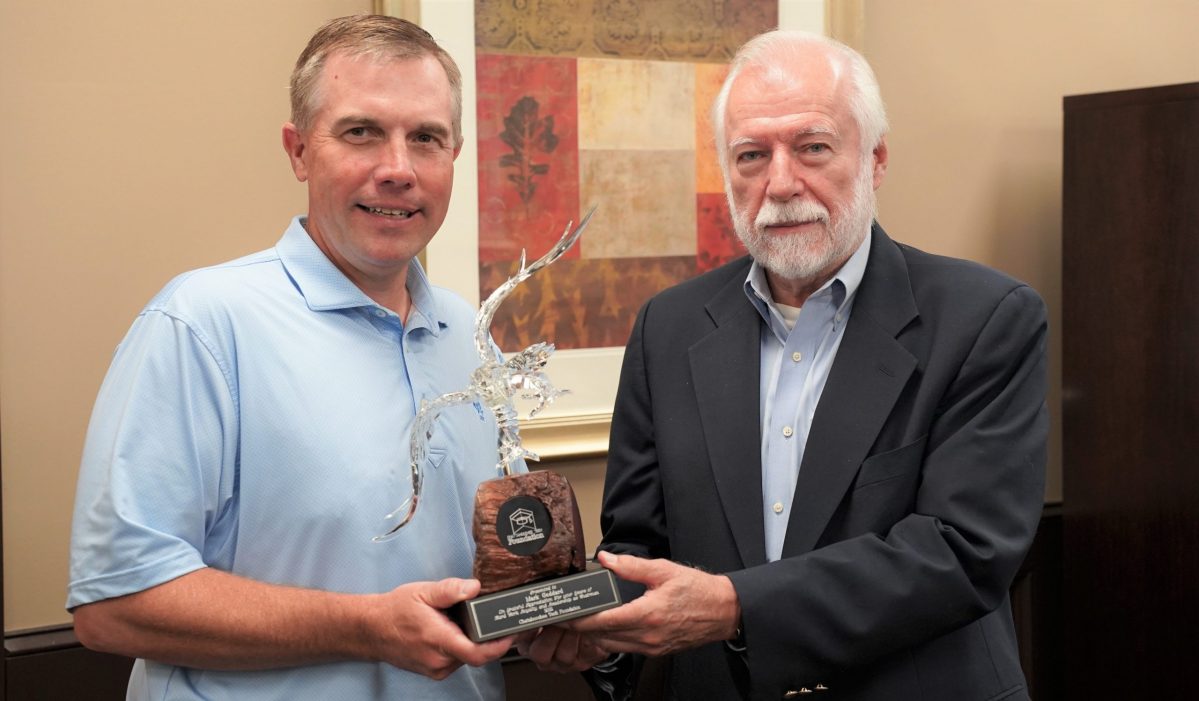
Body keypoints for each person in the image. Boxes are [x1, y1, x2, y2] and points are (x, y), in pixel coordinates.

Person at [521, 29, 1048, 701]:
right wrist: (592, 631)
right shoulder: (669, 326)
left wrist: (736, 604)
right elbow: (639, 543)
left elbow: (962, 551)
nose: (779, 183)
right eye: (750, 155)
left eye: (812, 148)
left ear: (875, 159)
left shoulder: (984, 318)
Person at [67, 15, 519, 700]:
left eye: (424, 137)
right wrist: (365, 625)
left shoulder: (470, 335)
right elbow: (114, 603)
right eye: (361, 132)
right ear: (299, 150)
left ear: (452, 156)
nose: (397, 169)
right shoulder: (202, 324)